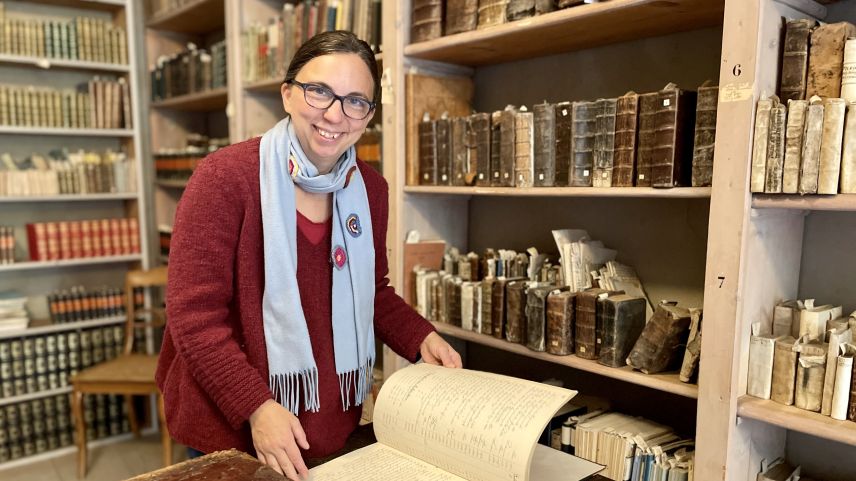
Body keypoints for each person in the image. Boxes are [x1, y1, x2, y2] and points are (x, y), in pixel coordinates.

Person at [155, 30, 462, 480]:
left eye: (356, 101)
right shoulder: (223, 178)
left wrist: (421, 338)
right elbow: (194, 319)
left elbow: (371, 292)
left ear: (369, 114)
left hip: (328, 420)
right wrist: (257, 407)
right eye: (319, 91)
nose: (335, 114)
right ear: (287, 94)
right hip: (229, 425)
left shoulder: (370, 190)